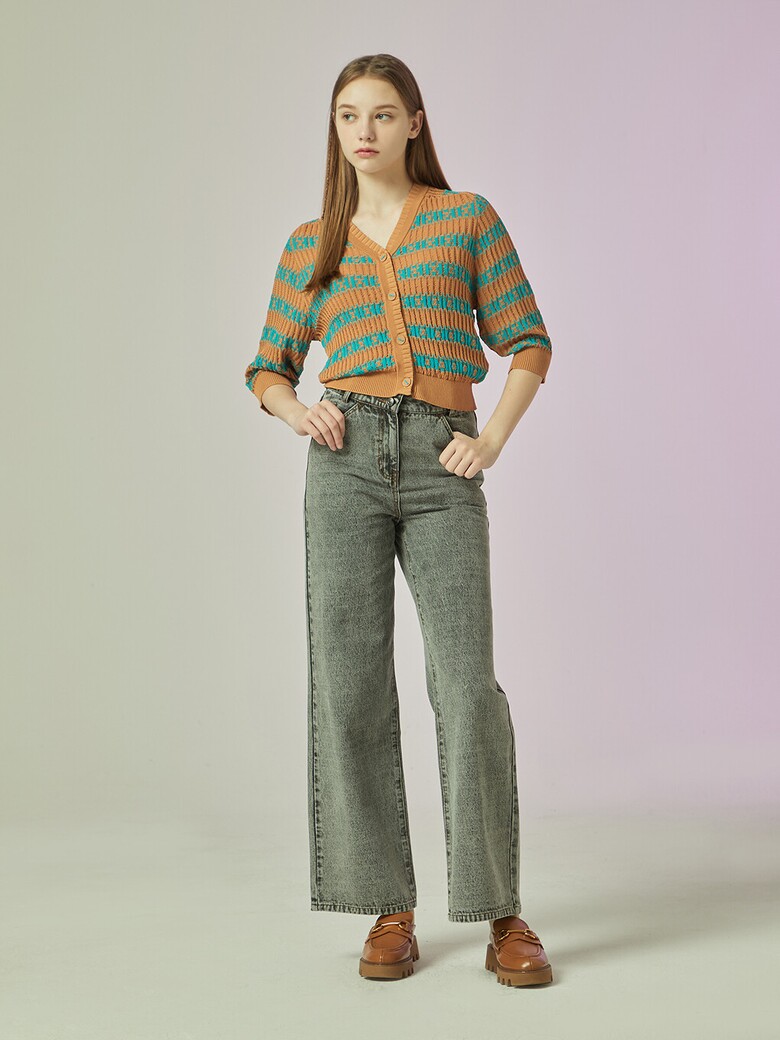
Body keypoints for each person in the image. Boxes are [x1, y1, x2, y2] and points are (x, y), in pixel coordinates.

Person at [243, 53, 554, 987]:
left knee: (466, 686)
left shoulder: (466, 219)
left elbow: (529, 339)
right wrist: (298, 411)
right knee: (350, 686)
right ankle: (388, 906)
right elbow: (267, 366)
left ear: (415, 122)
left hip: (438, 456)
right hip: (342, 465)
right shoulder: (312, 243)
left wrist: (488, 440)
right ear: (335, 129)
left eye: (382, 113)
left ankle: (500, 910)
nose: (364, 130)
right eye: (348, 115)